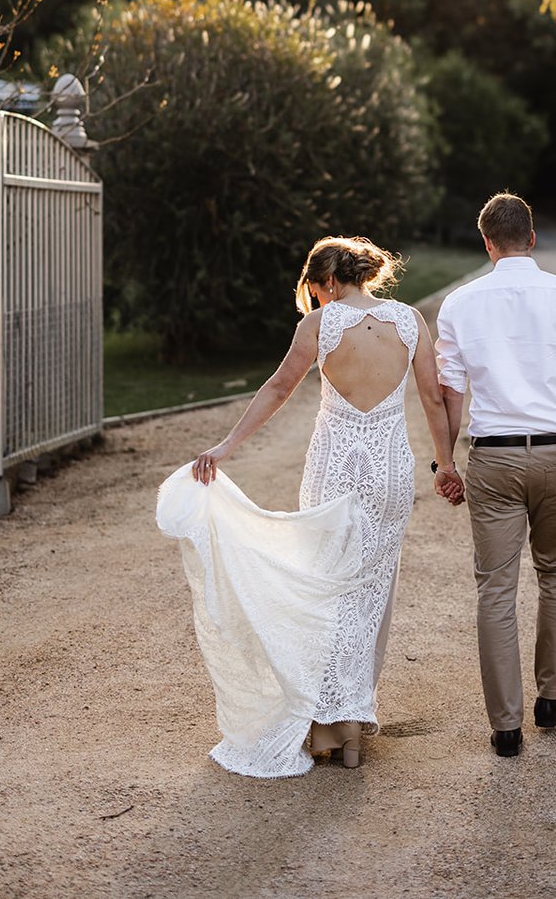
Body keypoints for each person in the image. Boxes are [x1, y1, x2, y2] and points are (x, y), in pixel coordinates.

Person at [156, 234, 463, 779]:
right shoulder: (410, 320)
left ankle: (328, 726)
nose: (318, 301)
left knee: (325, 586)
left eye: (315, 292)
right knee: (368, 591)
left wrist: (225, 447)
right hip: (389, 468)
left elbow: (277, 389)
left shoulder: (318, 326)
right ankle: (350, 728)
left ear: (325, 283)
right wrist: (446, 464)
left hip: (335, 467)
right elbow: (434, 397)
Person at [434, 193, 556, 757]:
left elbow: (450, 392)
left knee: (495, 588)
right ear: (532, 238)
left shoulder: (460, 304)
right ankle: (552, 698)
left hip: (494, 458)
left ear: (487, 243)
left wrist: (448, 461)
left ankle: (506, 726)